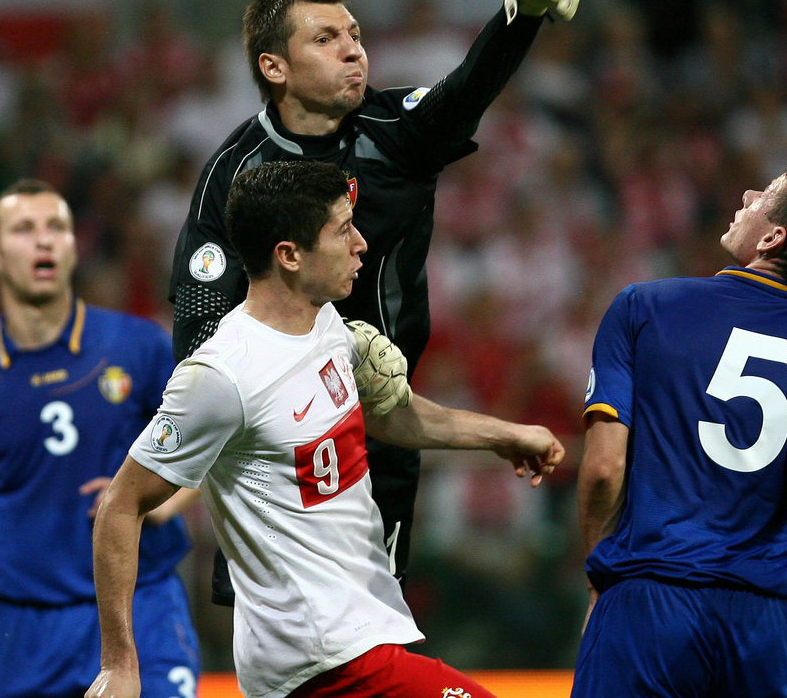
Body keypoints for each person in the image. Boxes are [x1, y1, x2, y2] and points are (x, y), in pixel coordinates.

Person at [168, 0, 580, 600]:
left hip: (382, 428)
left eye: (356, 36)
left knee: (371, 633)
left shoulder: (397, 132)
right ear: (273, 66)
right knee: (278, 633)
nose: (354, 50)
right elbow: (197, 315)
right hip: (277, 442)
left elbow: (466, 88)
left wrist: (520, 15)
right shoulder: (234, 173)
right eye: (326, 38)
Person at [86, 160, 564, 698]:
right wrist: (119, 665)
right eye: (342, 230)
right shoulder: (222, 375)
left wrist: (503, 435)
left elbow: (389, 415)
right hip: (321, 658)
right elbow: (121, 505)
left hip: (359, 635)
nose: (360, 244)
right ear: (289, 256)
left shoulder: (325, 323)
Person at [571, 164, 787, 698]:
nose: (748, 194)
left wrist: (603, 574)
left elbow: (602, 469)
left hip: (649, 599)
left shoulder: (643, 308)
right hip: (769, 625)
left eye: (765, 194)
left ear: (772, 238)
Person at [0, 179, 199, 698]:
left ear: (74, 246)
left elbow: (214, 448)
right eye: (24, 229)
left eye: (56, 227)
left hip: (142, 607)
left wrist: (160, 504)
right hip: (26, 631)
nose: (43, 241)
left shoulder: (137, 346)